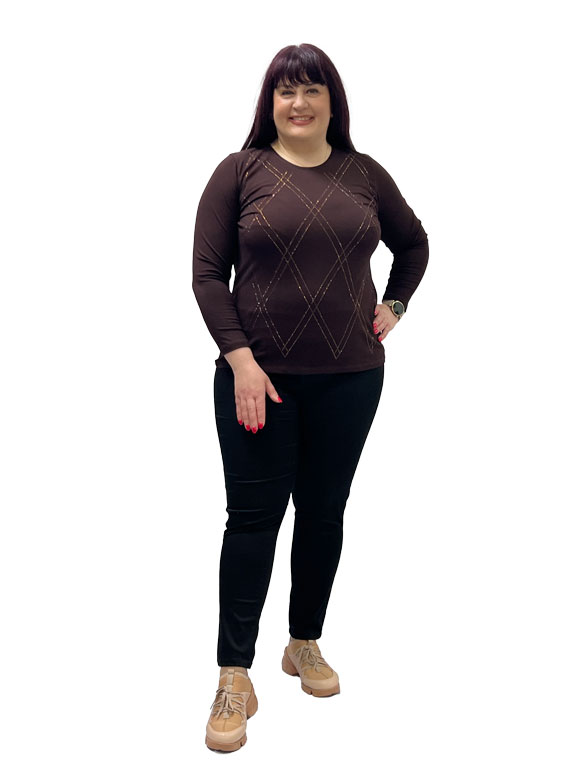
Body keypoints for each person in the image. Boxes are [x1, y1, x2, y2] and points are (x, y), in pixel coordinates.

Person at [192, 43, 429, 753]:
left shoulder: (364, 174)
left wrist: (396, 304)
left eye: (312, 90)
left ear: (332, 101)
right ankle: (235, 674)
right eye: (285, 91)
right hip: (258, 382)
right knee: (252, 521)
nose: (298, 103)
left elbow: (414, 244)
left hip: (351, 378)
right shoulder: (240, 172)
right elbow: (206, 274)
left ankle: (303, 642)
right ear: (270, 103)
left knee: (324, 513)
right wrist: (240, 361)